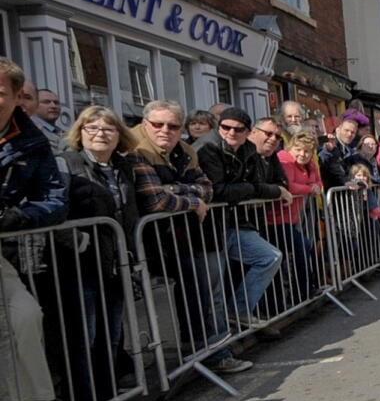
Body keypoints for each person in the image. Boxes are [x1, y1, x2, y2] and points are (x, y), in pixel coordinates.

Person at [130, 101, 250, 373]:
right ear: (145, 124)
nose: (165, 131)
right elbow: (155, 200)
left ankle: (206, 354)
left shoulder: (184, 151)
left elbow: (206, 188)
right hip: (148, 242)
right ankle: (200, 356)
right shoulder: (135, 149)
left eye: (173, 126)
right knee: (197, 294)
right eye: (158, 124)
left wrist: (180, 191)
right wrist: (192, 201)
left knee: (200, 295)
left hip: (181, 239)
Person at [0, 58, 70, 401]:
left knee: (25, 315)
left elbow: (55, 201)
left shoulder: (30, 141)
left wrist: (19, 216)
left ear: (15, 99)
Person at [57, 107, 145, 401]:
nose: (100, 134)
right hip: (79, 267)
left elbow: (131, 213)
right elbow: (56, 212)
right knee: (85, 340)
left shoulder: (125, 166)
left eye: (108, 129)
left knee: (111, 336)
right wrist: (79, 243)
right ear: (79, 133)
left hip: (115, 263)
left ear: (119, 135)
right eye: (91, 128)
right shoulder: (67, 163)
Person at [196, 106, 290, 334]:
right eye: (225, 127)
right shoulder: (208, 148)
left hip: (234, 223)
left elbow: (264, 184)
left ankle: (238, 310)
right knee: (212, 291)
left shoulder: (248, 150)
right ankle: (216, 346)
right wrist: (253, 191)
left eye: (238, 129)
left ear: (247, 132)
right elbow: (218, 190)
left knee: (270, 257)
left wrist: (262, 191)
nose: (231, 133)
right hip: (208, 228)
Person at [268, 130, 322, 311]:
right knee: (301, 246)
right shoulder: (284, 159)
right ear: (291, 147)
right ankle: (305, 290)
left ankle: (302, 292)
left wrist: (313, 187)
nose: (302, 154)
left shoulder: (309, 163)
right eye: (298, 149)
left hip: (292, 217)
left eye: (307, 151)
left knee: (301, 248)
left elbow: (318, 183)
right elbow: (288, 185)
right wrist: (309, 189)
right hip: (274, 219)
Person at [318, 118, 362, 191]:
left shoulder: (350, 151)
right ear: (338, 130)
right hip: (331, 192)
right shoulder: (328, 143)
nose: (349, 134)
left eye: (353, 132)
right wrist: (346, 181)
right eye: (346, 130)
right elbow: (331, 166)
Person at [31, 89, 65, 154]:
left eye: (56, 103)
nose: (53, 106)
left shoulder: (63, 132)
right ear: (34, 105)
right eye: (46, 102)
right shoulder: (30, 130)